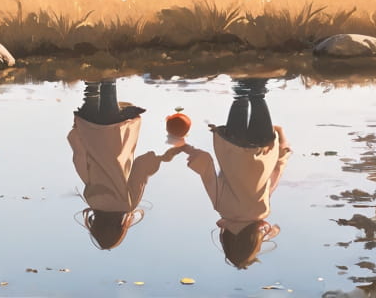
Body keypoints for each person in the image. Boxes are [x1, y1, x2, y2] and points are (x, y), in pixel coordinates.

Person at [180, 77, 290, 269]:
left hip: (262, 147)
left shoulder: (261, 210)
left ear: (254, 241)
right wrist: (191, 153)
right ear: (226, 240)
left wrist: (283, 149)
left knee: (258, 95)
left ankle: (258, 63)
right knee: (240, 96)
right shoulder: (222, 207)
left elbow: (274, 177)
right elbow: (207, 171)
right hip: (232, 146)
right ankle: (240, 70)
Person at [68, 79, 164, 251]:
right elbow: (80, 160)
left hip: (114, 131)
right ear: (95, 226)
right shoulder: (91, 199)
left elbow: (141, 167)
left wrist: (154, 161)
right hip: (89, 129)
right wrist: (76, 134)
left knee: (109, 81)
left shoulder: (127, 205)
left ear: (120, 228)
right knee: (92, 88)